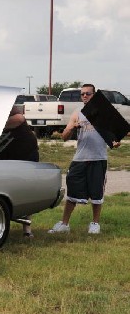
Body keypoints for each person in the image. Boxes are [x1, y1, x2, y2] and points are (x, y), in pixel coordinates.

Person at [49, 83, 121, 235]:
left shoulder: (104, 113)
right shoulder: (77, 113)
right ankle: (64, 224)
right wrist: (72, 128)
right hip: (80, 159)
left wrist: (116, 142)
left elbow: (114, 139)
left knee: (97, 194)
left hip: (98, 158)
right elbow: (64, 137)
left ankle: (95, 224)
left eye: (88, 93)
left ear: (94, 95)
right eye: (82, 94)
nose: (85, 96)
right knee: (72, 192)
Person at [0, 105, 39, 237]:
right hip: (4, 154)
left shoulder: (13, 115)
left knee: (26, 190)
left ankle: (27, 229)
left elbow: (19, 118)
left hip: (25, 153)